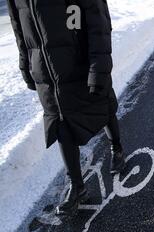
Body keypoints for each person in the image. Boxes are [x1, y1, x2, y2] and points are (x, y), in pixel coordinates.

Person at [7, 0, 125, 215]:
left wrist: (98, 69)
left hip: (79, 62)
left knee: (102, 104)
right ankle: (78, 187)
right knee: (59, 121)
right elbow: (19, 30)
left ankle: (117, 148)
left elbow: (97, 20)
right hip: (46, 71)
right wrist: (26, 65)